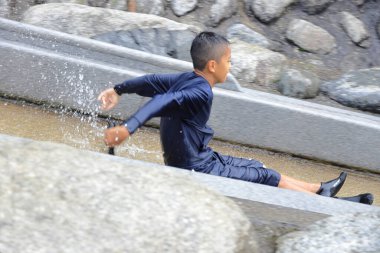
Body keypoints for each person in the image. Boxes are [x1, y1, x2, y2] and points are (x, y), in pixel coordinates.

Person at [97, 31, 364, 201]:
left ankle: (318, 189)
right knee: (266, 177)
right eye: (229, 60)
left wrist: (118, 89)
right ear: (213, 65)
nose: (231, 65)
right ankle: (321, 201)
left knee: (258, 167)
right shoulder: (201, 92)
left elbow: (151, 81)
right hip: (197, 169)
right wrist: (127, 128)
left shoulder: (187, 78)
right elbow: (162, 99)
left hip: (201, 158)